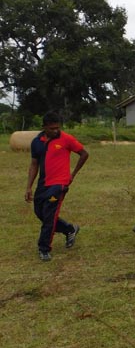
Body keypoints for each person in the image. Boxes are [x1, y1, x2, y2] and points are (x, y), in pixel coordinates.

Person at [25, 112, 89, 262]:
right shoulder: (36, 142)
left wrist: (72, 174)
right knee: (40, 212)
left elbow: (84, 154)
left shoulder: (66, 139)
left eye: (57, 128)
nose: (55, 131)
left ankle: (44, 248)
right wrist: (28, 187)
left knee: (49, 215)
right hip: (43, 184)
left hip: (59, 184)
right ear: (44, 127)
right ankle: (69, 229)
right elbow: (34, 164)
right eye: (52, 128)